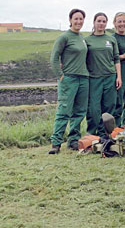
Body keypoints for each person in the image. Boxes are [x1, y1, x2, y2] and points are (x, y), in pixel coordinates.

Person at [49, 9, 89, 154]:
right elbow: (54, 58)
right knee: (64, 111)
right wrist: (60, 76)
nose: (79, 21)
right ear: (70, 20)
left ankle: (73, 141)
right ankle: (56, 143)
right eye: (76, 19)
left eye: (81, 19)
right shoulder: (64, 37)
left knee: (79, 112)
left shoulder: (82, 38)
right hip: (69, 78)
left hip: (83, 78)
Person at [85, 12, 122, 137]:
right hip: (94, 78)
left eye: (103, 21)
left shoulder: (111, 39)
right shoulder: (87, 40)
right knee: (94, 108)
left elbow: (116, 58)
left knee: (109, 106)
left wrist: (119, 77)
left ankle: (106, 132)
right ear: (94, 22)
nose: (101, 24)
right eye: (99, 21)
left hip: (110, 76)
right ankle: (91, 132)